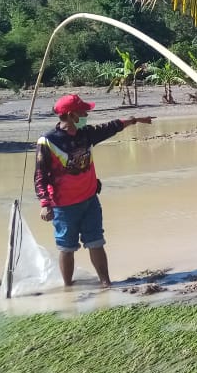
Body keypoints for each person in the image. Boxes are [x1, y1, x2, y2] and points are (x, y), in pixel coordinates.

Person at [34, 93, 155, 287]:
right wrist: (45, 204)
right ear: (72, 115)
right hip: (64, 205)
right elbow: (40, 175)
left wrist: (135, 120)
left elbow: (111, 127)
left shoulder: (86, 134)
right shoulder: (47, 141)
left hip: (90, 200)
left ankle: (106, 283)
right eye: (82, 111)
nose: (86, 114)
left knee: (96, 242)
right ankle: (68, 286)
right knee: (67, 247)